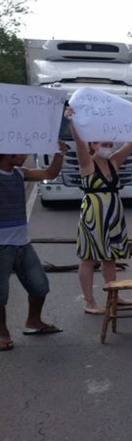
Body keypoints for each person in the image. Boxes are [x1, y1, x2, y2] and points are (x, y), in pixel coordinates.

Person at [66, 106, 132, 315]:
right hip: (94, 215)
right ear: (93, 146)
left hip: (114, 213)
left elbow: (131, 143)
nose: (108, 146)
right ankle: (89, 302)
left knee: (110, 257)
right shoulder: (87, 163)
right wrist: (72, 121)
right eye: (103, 144)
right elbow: (79, 143)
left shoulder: (114, 161)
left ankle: (113, 295)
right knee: (89, 258)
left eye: (109, 143)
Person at [0, 143, 69, 349]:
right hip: (1, 247)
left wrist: (59, 154)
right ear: (5, 153)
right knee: (0, 295)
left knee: (40, 286)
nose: (25, 154)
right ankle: (2, 333)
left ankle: (34, 322)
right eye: (20, 151)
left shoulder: (20, 173)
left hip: (22, 244)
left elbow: (49, 173)